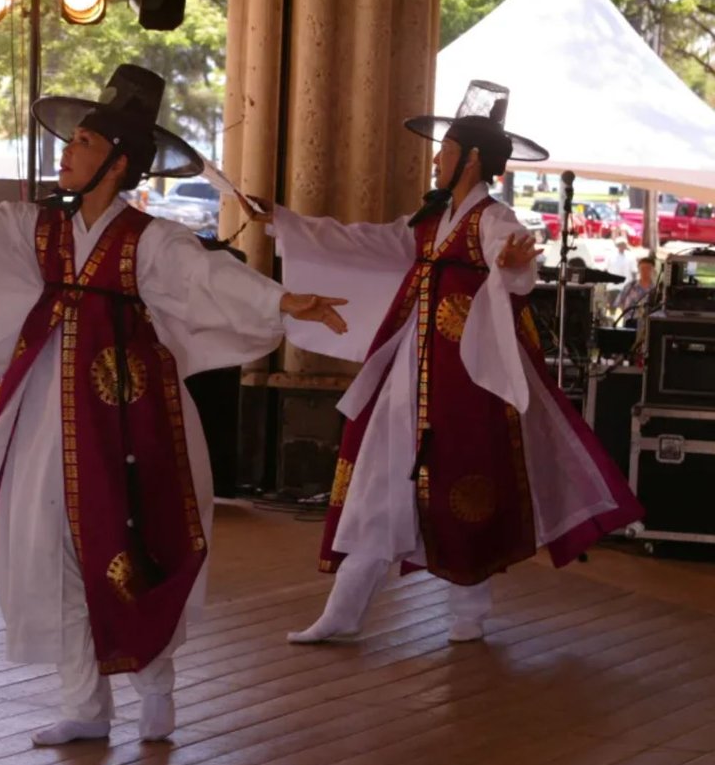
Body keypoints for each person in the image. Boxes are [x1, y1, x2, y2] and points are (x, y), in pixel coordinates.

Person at [0, 64, 348, 747]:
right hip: (43, 415)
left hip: (128, 418)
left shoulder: (151, 240)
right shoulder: (41, 230)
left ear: (118, 164)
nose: (66, 151)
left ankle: (156, 685)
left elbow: (205, 276)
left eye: (84, 142)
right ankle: (84, 703)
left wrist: (280, 300)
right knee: (45, 544)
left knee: (131, 542)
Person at [261, 80, 645, 646]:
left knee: (463, 487)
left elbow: (511, 257)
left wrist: (513, 263)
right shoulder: (428, 222)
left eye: (444, 152)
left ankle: (470, 607)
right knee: (376, 482)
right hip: (404, 379)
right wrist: (284, 220)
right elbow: (367, 242)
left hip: (464, 379)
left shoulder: (491, 217)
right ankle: (344, 608)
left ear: (470, 160)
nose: (436, 159)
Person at [614, 256, 657, 326]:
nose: (645, 271)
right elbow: (619, 302)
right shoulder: (630, 286)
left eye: (648, 268)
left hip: (647, 326)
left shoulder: (656, 289)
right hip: (629, 324)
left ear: (653, 270)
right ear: (639, 269)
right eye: (642, 268)